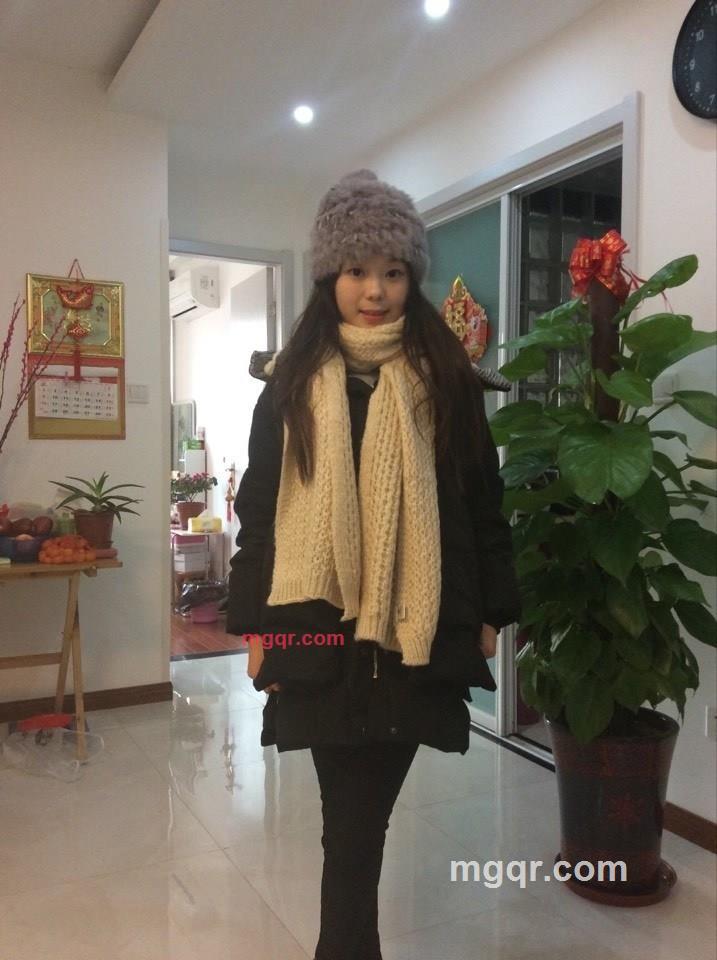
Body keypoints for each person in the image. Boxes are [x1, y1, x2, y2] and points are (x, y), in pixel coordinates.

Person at [226, 169, 522, 960]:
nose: (375, 290)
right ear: (329, 275)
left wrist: (491, 612)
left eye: (393, 272)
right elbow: (260, 511)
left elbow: (481, 504)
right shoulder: (289, 386)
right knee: (349, 820)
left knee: (358, 820)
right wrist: (254, 625)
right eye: (357, 270)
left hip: (414, 626)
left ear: (410, 280)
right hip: (313, 624)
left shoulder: (447, 382)